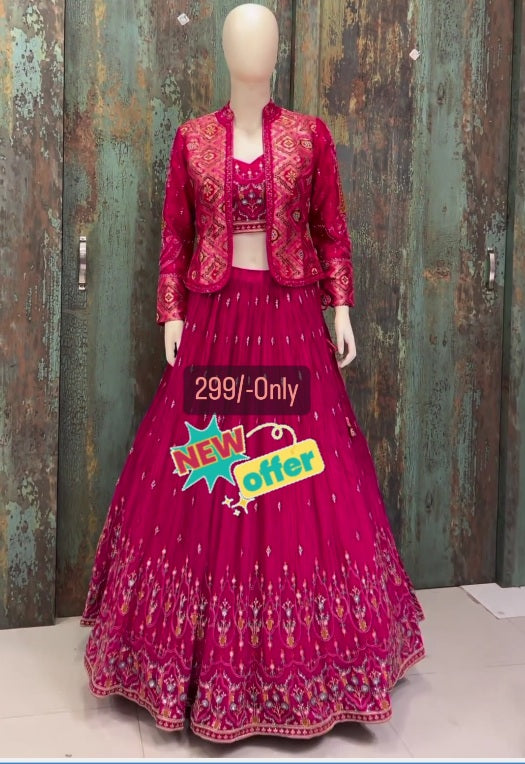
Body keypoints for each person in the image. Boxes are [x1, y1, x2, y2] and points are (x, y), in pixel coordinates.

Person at [80, 3, 425, 743]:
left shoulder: (307, 135)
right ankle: (193, 659)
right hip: (213, 320)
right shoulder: (192, 138)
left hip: (289, 320)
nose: (254, 50)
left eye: (264, 38)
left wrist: (340, 308)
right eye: (242, 37)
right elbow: (175, 235)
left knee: (296, 471)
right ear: (224, 49)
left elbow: (331, 230)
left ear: (276, 51)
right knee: (207, 469)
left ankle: (306, 660)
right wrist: (170, 312)